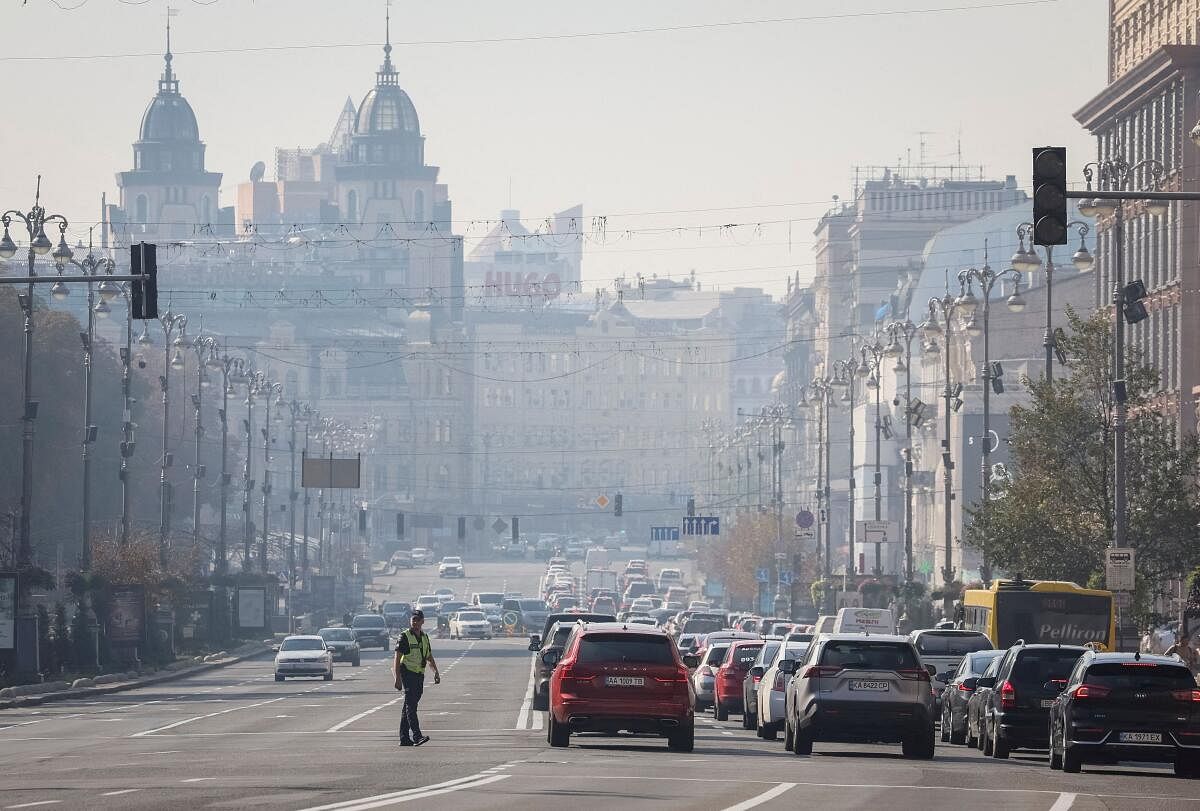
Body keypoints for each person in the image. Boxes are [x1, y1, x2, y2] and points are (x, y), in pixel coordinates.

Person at [393, 609, 440, 746]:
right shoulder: (405, 636)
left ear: (422, 621)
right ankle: (417, 735)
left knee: (409, 705)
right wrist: (397, 678)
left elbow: (429, 656)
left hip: (419, 675)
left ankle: (404, 738)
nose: (415, 622)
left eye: (418, 620)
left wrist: (435, 671)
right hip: (407, 674)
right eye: (413, 619)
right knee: (411, 706)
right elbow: (397, 657)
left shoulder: (425, 638)